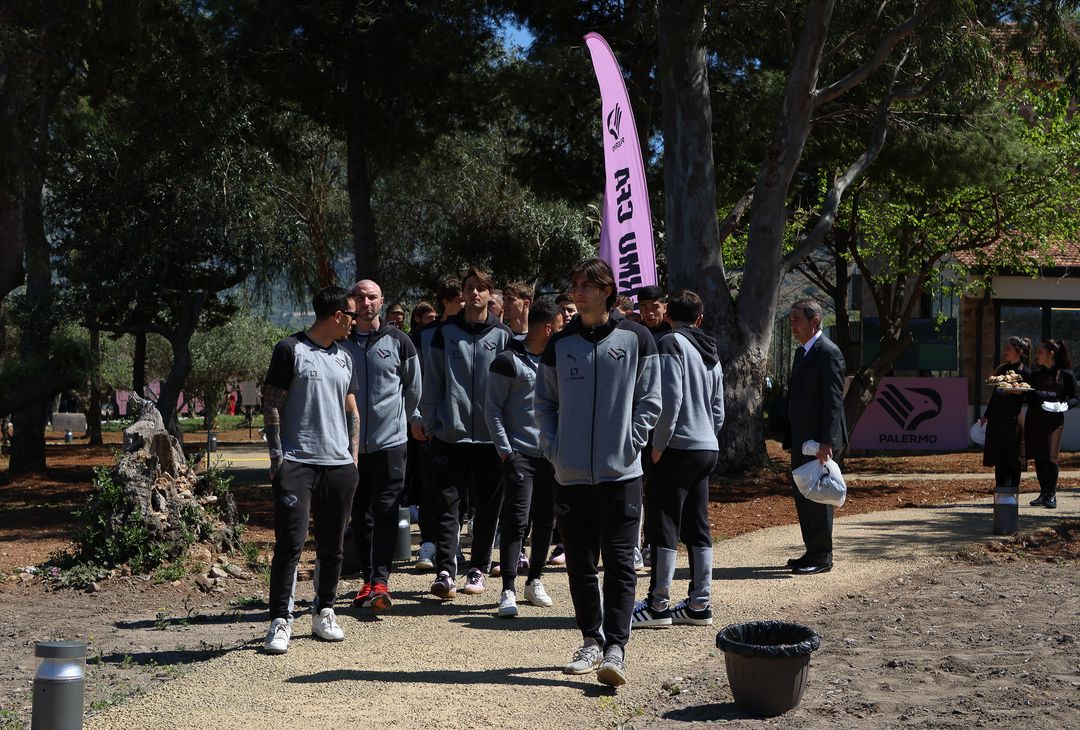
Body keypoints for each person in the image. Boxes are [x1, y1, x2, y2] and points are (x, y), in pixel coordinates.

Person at [535, 257, 661, 687]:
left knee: (621, 564)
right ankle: (591, 639)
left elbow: (650, 399)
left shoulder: (637, 337)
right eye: (575, 284)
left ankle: (616, 648)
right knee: (580, 566)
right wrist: (553, 449)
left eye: (588, 284)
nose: (579, 292)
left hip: (621, 474)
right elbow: (544, 403)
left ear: (607, 290)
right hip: (570, 475)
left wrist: (632, 441)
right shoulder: (560, 343)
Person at [261, 286, 360, 654]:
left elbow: (351, 409)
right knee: (290, 544)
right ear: (337, 316)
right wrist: (277, 458)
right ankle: (280, 621)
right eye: (351, 315)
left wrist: (353, 459)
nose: (355, 321)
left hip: (338, 466)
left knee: (333, 547)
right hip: (298, 463)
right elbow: (272, 404)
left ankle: (324, 611)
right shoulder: (290, 350)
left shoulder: (345, 358)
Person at [417, 266, 512, 598]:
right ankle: (446, 570)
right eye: (469, 287)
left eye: (480, 288)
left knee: (487, 509)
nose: (474, 293)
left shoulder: (503, 336)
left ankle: (477, 569)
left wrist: (507, 434)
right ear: (462, 294)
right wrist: (430, 422)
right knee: (447, 506)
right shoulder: (445, 333)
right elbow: (433, 382)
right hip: (450, 435)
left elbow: (510, 390)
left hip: (490, 439)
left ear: (489, 294)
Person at [632, 290, 724, 628]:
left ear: (669, 315)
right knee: (698, 525)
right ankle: (700, 604)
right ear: (699, 318)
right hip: (706, 446)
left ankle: (657, 606)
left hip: (677, 447)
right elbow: (718, 408)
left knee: (663, 524)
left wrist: (659, 443)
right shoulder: (711, 351)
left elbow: (669, 399)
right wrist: (707, 434)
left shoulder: (670, 343)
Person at [341, 279, 422, 611]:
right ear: (351, 302)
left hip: (391, 443)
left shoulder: (399, 341)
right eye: (359, 296)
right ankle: (366, 580)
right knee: (360, 513)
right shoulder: (340, 342)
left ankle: (381, 580)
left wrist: (404, 422)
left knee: (386, 510)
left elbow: (413, 389)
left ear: (381, 301)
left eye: (372, 296)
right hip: (349, 447)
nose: (365, 302)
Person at [484, 299, 563, 618]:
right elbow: (493, 409)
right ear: (547, 327)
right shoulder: (507, 360)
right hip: (519, 455)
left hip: (551, 456)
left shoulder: (557, 361)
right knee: (516, 522)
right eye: (559, 326)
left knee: (546, 520)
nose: (562, 331)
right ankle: (508, 589)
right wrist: (506, 452)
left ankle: (535, 581)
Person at [783, 298, 846, 576]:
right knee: (804, 494)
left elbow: (833, 401)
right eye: (791, 320)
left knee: (819, 496)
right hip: (802, 438)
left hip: (818, 441)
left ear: (815, 321)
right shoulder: (802, 352)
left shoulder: (828, 352)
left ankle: (822, 556)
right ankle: (812, 549)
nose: (793, 326)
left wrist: (827, 442)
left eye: (797, 320)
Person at [412, 277, 463, 571]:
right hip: (431, 425)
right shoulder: (423, 336)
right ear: (447, 302)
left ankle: (452, 547)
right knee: (432, 487)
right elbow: (416, 383)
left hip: (463, 427)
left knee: (459, 492)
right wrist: (418, 417)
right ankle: (428, 544)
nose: (468, 302)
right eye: (461, 297)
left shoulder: (472, 333)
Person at [1024, 339, 1078, 509]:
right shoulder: (1035, 375)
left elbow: (1075, 398)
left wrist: (1064, 405)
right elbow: (1029, 397)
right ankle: (1043, 493)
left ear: (1051, 353)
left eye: (1040, 352)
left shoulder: (1066, 375)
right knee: (1039, 457)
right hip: (1034, 419)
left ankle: (1052, 493)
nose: (1037, 355)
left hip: (1053, 422)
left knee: (1050, 456)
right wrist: (1017, 392)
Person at [980, 336, 1030, 494]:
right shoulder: (1002, 370)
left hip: (1013, 419)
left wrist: (1017, 392)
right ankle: (1000, 488)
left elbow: (1028, 396)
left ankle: (1013, 489)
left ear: (1018, 351)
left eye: (1008, 348)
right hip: (997, 419)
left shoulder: (1025, 372)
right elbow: (995, 395)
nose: (1005, 352)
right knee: (999, 455)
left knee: (1013, 457)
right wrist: (986, 415)